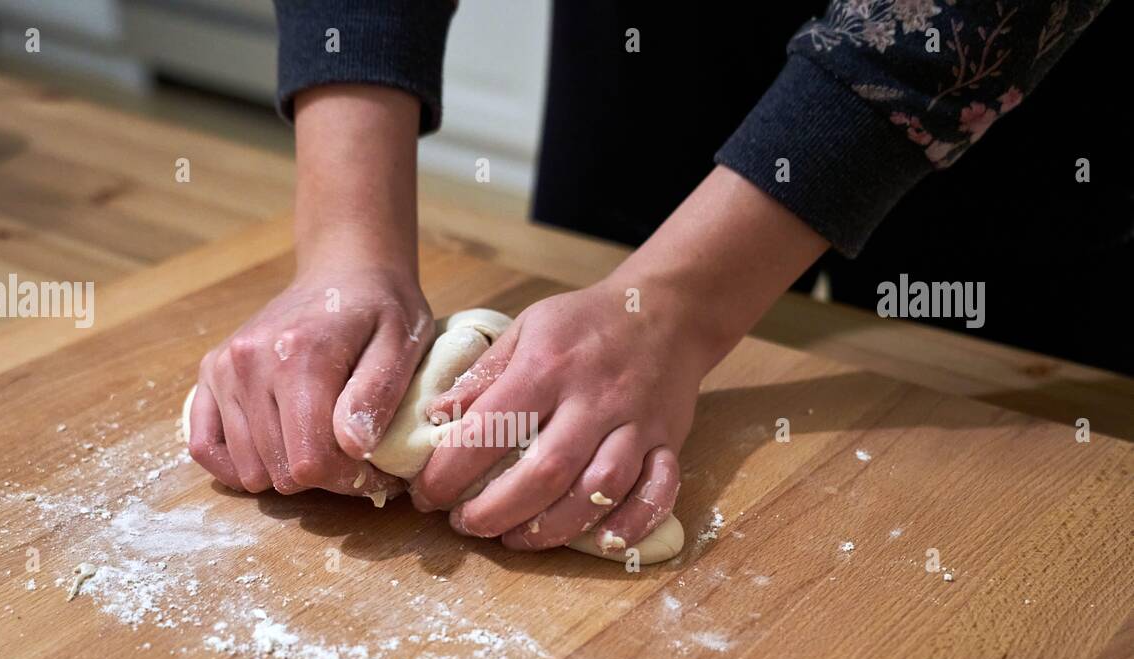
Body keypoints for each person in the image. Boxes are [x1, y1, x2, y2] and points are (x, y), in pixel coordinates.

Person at [188, 0, 1119, 556]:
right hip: (653, 33)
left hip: (1014, 76)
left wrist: (677, 308)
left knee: (1035, 487)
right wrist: (349, 239)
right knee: (575, 398)